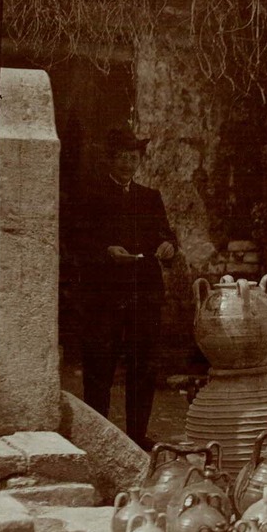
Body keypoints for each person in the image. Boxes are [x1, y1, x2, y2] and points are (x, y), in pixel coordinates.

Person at [71, 127, 178, 449]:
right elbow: (76, 240)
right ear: (110, 160)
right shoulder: (90, 195)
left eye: (133, 158)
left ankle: (136, 435)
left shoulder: (150, 196)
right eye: (122, 158)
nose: (128, 164)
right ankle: (97, 435)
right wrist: (105, 252)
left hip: (143, 294)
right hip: (104, 296)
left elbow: (167, 235)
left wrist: (167, 246)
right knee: (99, 365)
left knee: (143, 367)